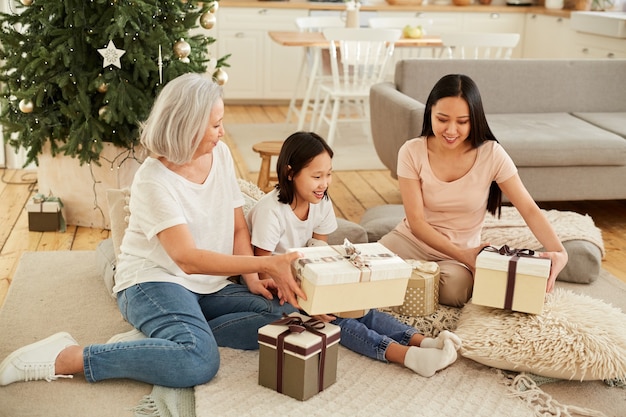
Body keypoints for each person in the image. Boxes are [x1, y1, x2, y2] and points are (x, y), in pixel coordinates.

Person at [0, 73, 306, 388]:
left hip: (209, 285)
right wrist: (265, 263)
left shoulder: (221, 155)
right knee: (199, 360)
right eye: (215, 125)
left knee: (283, 313)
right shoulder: (153, 180)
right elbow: (186, 259)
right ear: (188, 126)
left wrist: (253, 280)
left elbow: (238, 227)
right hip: (154, 281)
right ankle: (71, 357)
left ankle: (165, 337)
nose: (223, 132)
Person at [247, 131, 461, 378]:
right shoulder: (271, 212)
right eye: (317, 176)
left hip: (306, 278)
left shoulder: (320, 201)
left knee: (359, 308)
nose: (324, 183)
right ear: (290, 173)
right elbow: (263, 271)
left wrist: (334, 288)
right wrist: (310, 300)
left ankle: (424, 342)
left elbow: (318, 252)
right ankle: (406, 356)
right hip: (278, 288)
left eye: (328, 175)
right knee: (336, 319)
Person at [379, 74, 569, 308]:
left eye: (462, 122)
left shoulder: (492, 154)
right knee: (372, 267)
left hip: (459, 253)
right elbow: (417, 222)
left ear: (475, 119)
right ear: (430, 113)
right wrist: (466, 258)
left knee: (456, 292)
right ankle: (407, 280)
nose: (451, 130)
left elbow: (528, 209)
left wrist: (560, 252)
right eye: (442, 119)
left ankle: (403, 282)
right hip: (411, 240)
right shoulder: (411, 151)